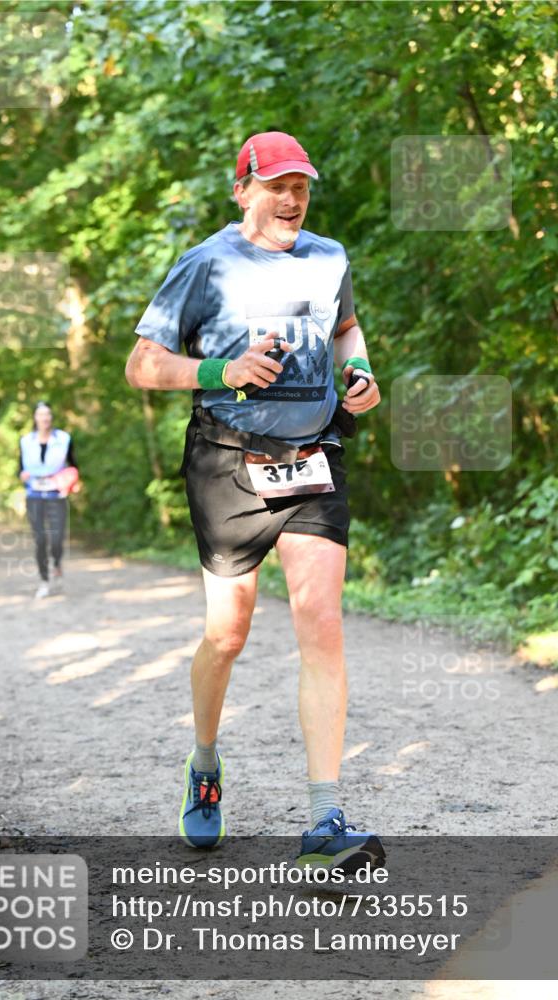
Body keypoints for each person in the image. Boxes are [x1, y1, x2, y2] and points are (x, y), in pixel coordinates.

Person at [126, 131, 383, 869]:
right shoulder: (205, 264)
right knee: (227, 636)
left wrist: (357, 370)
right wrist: (221, 368)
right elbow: (142, 366)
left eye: (299, 184)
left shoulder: (329, 256)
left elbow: (344, 328)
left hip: (311, 458)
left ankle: (324, 818)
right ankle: (204, 764)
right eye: (275, 184)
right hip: (226, 464)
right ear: (242, 191)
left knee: (321, 622)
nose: (291, 198)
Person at [19, 401, 77, 599]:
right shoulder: (26, 441)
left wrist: (72, 481)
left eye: (48, 414)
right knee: (40, 540)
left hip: (56, 494)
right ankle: (44, 580)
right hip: (34, 495)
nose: (45, 418)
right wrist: (22, 475)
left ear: (51, 418)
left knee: (57, 539)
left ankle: (57, 563)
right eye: (41, 415)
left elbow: (73, 465)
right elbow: (21, 467)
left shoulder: (64, 439)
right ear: (35, 418)